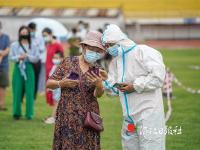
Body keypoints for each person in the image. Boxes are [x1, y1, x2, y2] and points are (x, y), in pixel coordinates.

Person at [102, 24, 166, 150]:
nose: (108, 49)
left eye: (110, 45)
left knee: (151, 145)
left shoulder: (144, 51)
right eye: (106, 46)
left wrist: (134, 86)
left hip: (148, 115)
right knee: (129, 146)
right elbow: (113, 89)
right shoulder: (116, 61)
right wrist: (106, 82)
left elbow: (158, 78)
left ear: (120, 41)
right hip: (129, 118)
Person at [46, 31, 107, 149]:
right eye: (91, 49)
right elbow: (49, 84)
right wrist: (61, 83)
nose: (94, 53)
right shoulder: (68, 62)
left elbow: (98, 95)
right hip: (67, 115)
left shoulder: (97, 69)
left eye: (97, 51)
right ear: (83, 47)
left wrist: (99, 85)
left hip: (88, 117)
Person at [9, 25, 39, 120]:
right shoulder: (14, 45)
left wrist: (28, 56)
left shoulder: (33, 45)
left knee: (30, 91)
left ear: (29, 34)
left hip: (29, 68)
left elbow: (36, 58)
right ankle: (16, 113)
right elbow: (10, 57)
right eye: (22, 32)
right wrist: (19, 57)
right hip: (18, 68)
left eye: (26, 33)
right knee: (17, 91)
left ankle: (29, 114)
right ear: (19, 33)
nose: (24, 34)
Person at [42, 27, 64, 106]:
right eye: (43, 36)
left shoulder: (58, 45)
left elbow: (62, 59)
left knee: (55, 94)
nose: (44, 37)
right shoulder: (48, 45)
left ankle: (54, 116)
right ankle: (53, 115)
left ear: (51, 34)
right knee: (49, 91)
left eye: (45, 35)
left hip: (55, 71)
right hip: (48, 70)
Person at [44, 51, 64, 124]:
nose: (55, 59)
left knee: (57, 102)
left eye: (57, 58)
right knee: (56, 102)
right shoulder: (54, 66)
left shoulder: (62, 67)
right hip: (55, 88)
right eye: (54, 57)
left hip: (59, 88)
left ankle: (53, 118)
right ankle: (57, 118)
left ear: (62, 58)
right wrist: (49, 88)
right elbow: (51, 77)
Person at [28, 22, 46, 97]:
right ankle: (27, 93)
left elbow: (42, 49)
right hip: (28, 60)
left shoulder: (39, 38)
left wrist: (36, 47)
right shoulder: (26, 37)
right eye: (31, 30)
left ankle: (34, 94)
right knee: (28, 77)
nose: (33, 31)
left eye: (34, 29)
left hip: (37, 60)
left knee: (36, 77)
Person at [0, 21, 10, 111]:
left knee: (2, 85)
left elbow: (7, 50)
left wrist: (1, 54)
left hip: (3, 65)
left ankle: (1, 105)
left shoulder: (6, 37)